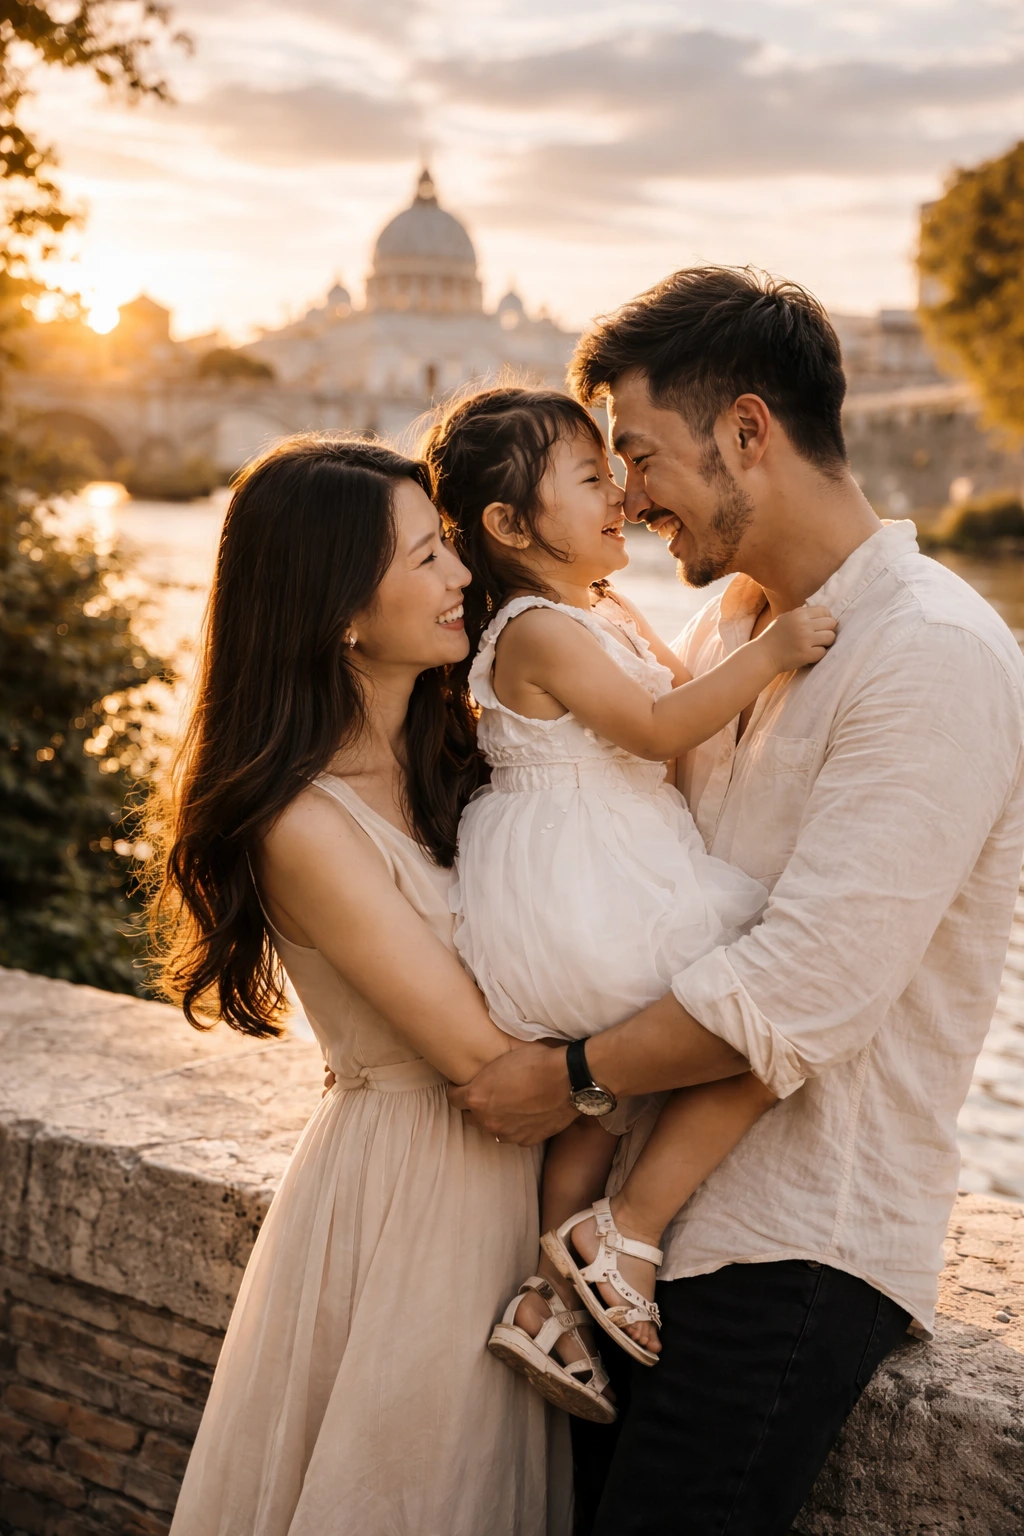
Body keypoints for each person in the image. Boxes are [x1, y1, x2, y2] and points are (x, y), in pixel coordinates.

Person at [448, 267, 1024, 1536]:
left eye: (640, 455)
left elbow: (804, 984)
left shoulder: (930, 652)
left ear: (747, 433)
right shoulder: (717, 636)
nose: (627, 493)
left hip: (788, 1248)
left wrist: (571, 1075)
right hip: (631, 1242)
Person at [155, 437, 572, 1536]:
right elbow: (483, 1060)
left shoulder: (468, 755)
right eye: (429, 555)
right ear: (339, 607)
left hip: (502, 1188)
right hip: (413, 1197)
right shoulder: (300, 822)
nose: (463, 578)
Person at [420, 389, 834, 1415]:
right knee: (769, 1010)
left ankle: (544, 1301)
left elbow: (659, 692)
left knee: (601, 1103)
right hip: (585, 888)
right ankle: (623, 1234)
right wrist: (772, 652)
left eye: (617, 471)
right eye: (592, 480)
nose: (622, 494)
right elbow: (656, 727)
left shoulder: (592, 610)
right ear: (512, 528)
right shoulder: (537, 630)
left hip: (589, 877)